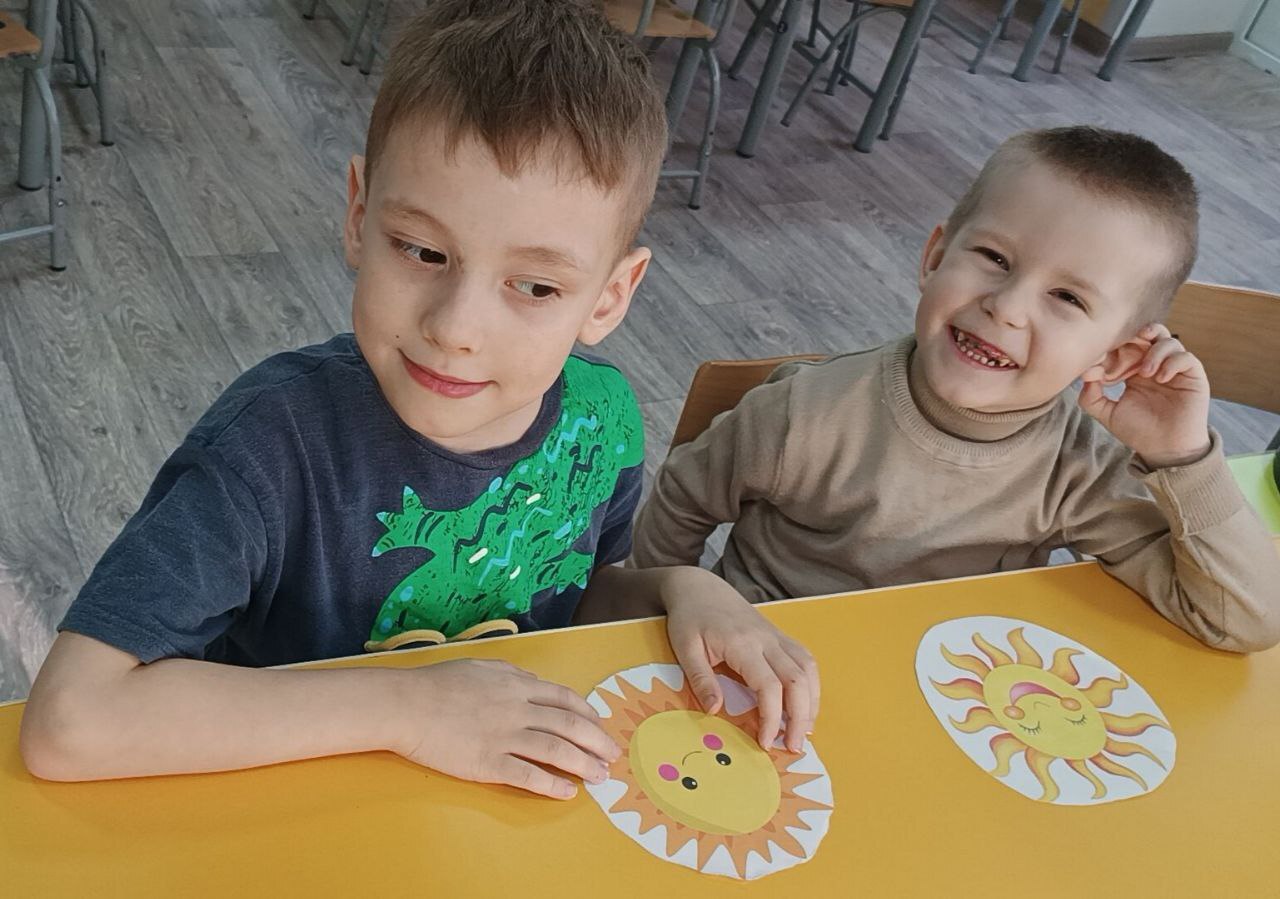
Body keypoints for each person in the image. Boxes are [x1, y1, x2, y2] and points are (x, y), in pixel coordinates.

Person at [20, 0, 818, 799]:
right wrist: (411, 707)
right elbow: (69, 720)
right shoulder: (267, 446)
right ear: (359, 216)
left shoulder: (600, 420)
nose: (456, 329)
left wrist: (678, 588)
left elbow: (570, 593)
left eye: (536, 286)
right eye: (422, 250)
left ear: (610, 296)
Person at [631, 126, 1280, 654]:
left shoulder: (1080, 469)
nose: (1007, 307)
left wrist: (1182, 457)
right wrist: (652, 620)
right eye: (995, 259)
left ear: (1113, 355)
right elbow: (681, 501)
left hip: (953, 696)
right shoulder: (803, 411)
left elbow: (1243, 619)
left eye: (1067, 297)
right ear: (935, 257)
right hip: (762, 674)